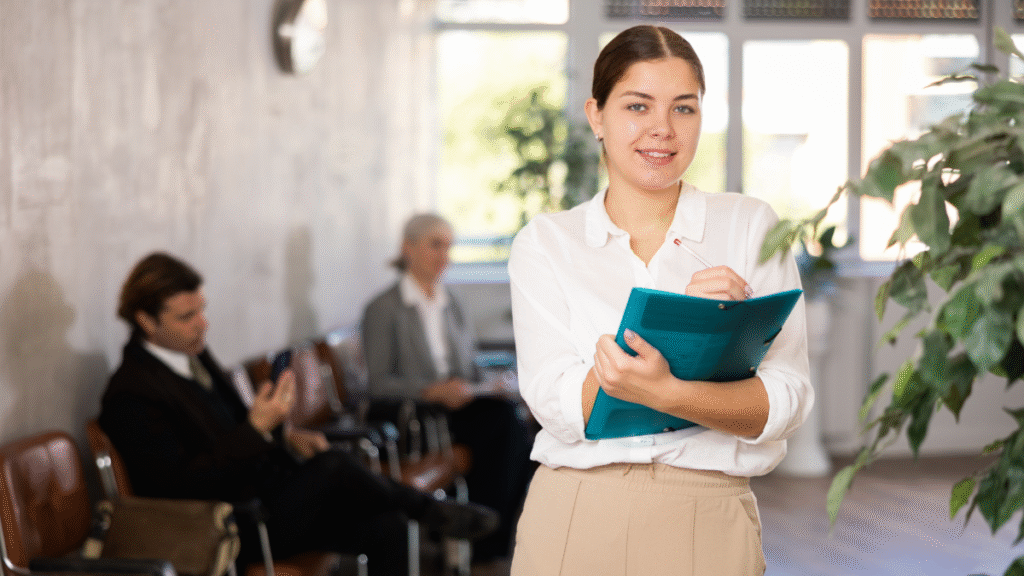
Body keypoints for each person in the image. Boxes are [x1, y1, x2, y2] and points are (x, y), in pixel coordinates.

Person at [507, 25, 812, 576]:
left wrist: (666, 387)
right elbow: (557, 404)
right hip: (576, 511)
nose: (662, 130)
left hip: (709, 514)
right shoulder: (546, 243)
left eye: (684, 108)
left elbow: (784, 400)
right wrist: (691, 339)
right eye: (637, 105)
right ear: (596, 115)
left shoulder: (749, 226)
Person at [98, 252, 498, 576]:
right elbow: (179, 486)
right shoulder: (131, 393)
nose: (202, 325)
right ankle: (430, 509)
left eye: (202, 310)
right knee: (332, 467)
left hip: (267, 496)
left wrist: (283, 433)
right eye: (186, 317)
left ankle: (421, 511)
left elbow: (235, 429)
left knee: (386, 526)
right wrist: (257, 428)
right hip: (227, 524)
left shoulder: (194, 354)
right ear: (145, 321)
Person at [361, 213, 534, 563]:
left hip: (460, 408)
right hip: (417, 418)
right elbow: (379, 383)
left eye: (449, 246)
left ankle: (490, 540)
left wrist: (490, 383)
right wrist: (431, 390)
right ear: (407, 248)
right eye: (435, 245)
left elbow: (467, 367)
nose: (444, 256)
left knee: (515, 425)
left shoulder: (451, 301)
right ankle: (486, 545)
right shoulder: (383, 309)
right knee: (504, 430)